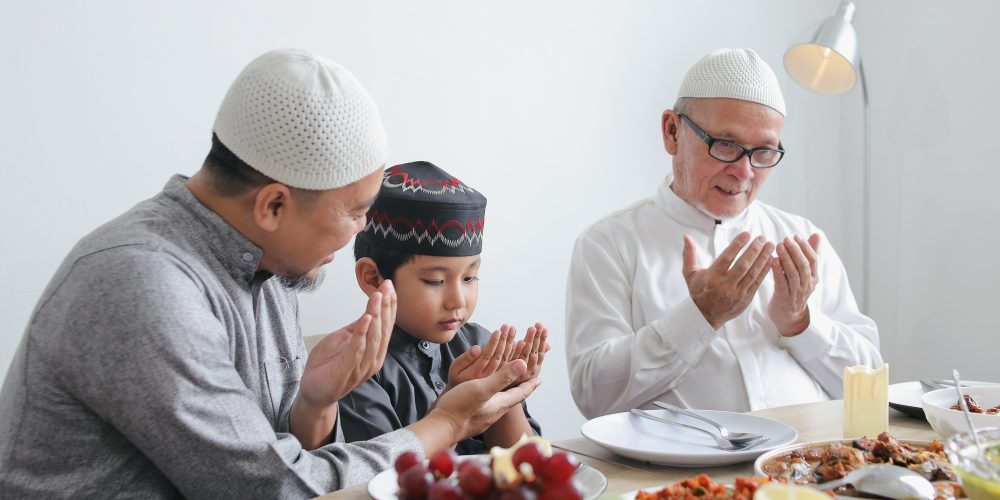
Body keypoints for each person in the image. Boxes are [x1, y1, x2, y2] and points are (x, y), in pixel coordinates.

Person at [0, 49, 540, 498]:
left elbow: (275, 454)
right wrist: (448, 424)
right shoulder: (143, 282)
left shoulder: (269, 267)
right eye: (354, 212)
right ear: (274, 205)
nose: (358, 234)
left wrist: (313, 403)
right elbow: (272, 490)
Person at [565, 48, 883, 419]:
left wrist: (800, 322)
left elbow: (870, 384)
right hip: (682, 472)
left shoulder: (802, 239)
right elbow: (593, 395)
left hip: (804, 467)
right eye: (726, 146)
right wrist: (700, 315)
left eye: (763, 152)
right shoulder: (609, 245)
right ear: (672, 132)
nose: (744, 172)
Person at [339, 161, 548, 454]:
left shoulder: (480, 346)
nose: (458, 301)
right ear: (373, 278)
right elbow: (382, 477)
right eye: (435, 281)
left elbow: (528, 465)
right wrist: (452, 408)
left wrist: (505, 389)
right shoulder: (354, 369)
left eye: (469, 277)